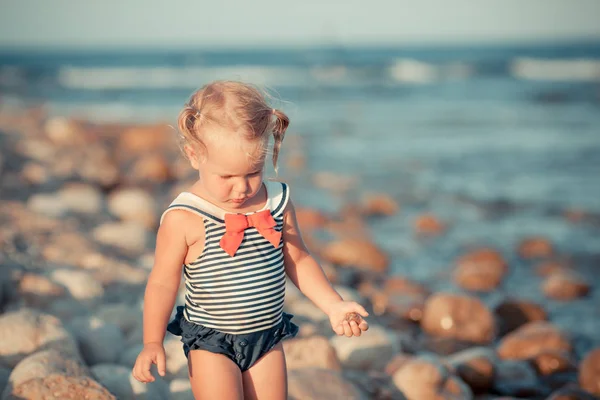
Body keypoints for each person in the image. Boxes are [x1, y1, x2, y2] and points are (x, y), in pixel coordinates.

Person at [131, 80, 369, 399]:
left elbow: (298, 259)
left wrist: (333, 305)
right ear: (194, 155)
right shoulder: (184, 217)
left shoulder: (277, 202)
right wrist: (152, 342)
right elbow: (161, 283)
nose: (242, 188)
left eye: (253, 172)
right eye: (227, 176)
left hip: (267, 339)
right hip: (211, 342)